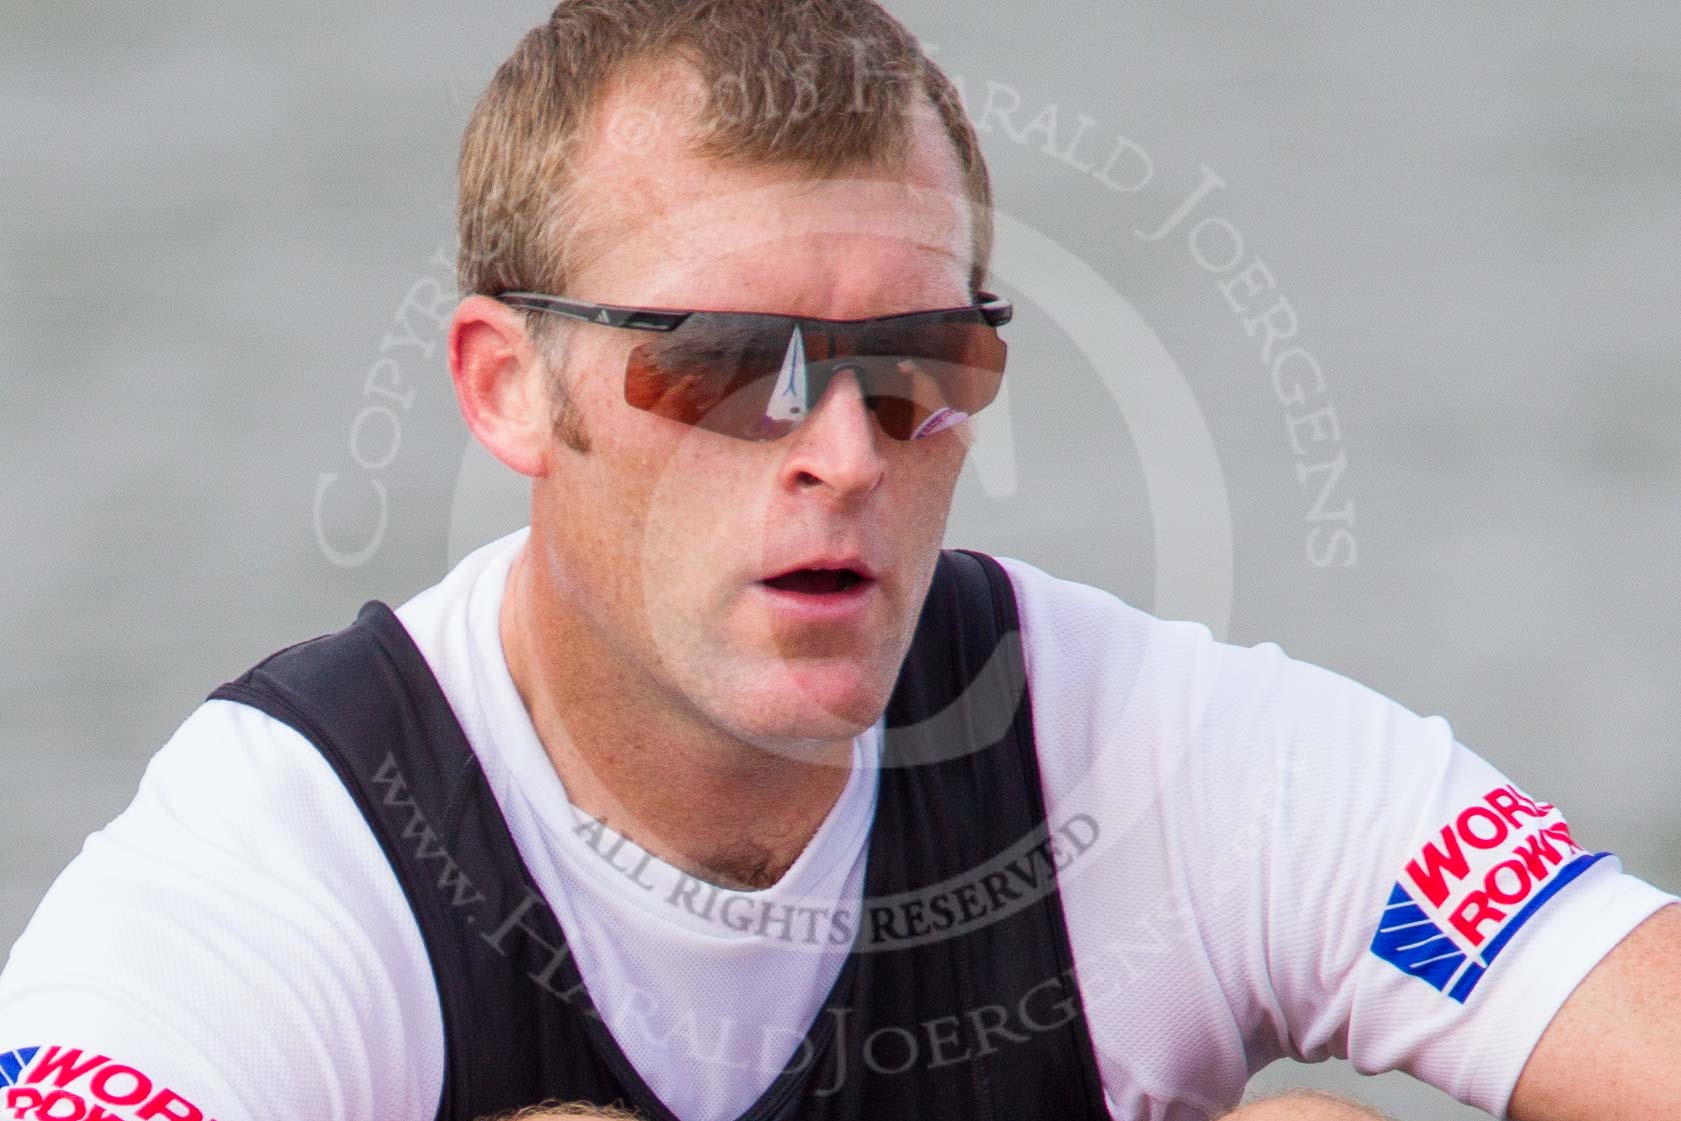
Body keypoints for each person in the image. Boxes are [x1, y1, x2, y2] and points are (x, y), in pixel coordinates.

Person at [1, 3, 1676, 1120]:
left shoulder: (1163, 752)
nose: (843, 451)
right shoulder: (286, 856)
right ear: (508, 387)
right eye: (725, 361)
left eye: (917, 366)